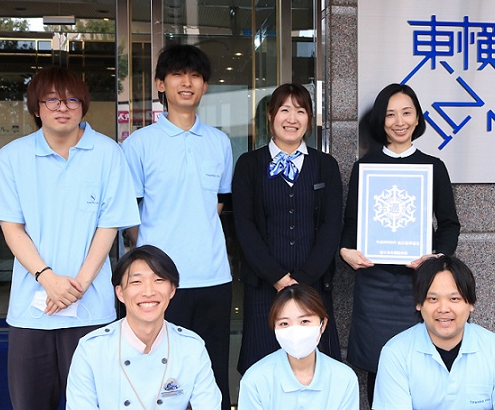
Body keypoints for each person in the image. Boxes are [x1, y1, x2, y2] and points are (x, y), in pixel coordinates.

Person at [0, 66, 140, 410]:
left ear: (84, 105)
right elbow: (12, 228)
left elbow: (108, 227)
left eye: (71, 100)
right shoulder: (13, 157)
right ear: (36, 108)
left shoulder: (108, 153)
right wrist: (47, 278)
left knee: (97, 403)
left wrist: (77, 285)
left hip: (90, 309)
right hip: (31, 310)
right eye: (51, 100)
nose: (62, 107)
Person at [121, 44, 233, 409]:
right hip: (161, 283)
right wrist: (153, 259)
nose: (187, 82)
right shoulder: (138, 145)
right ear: (160, 84)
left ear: (205, 87)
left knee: (212, 375)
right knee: (157, 378)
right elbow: (130, 217)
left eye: (196, 76)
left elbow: (220, 202)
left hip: (214, 277)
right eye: (178, 75)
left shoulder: (219, 143)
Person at [339, 83, 461, 404]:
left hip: (418, 285)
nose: (399, 121)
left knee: (422, 364)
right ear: (381, 121)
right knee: (378, 367)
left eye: (407, 113)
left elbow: (449, 225)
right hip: (374, 283)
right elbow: (351, 225)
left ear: (418, 118)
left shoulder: (433, 166)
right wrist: (345, 251)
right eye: (391, 114)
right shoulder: (364, 167)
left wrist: (436, 256)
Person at [232, 83, 343, 374]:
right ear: (270, 115)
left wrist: (303, 280)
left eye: (300, 111)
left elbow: (332, 226)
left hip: (314, 286)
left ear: (309, 119)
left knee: (317, 368)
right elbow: (244, 226)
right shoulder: (249, 165)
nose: (292, 118)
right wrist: (278, 278)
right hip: (263, 287)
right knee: (262, 368)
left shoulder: (325, 165)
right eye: (284, 110)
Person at [66, 245, 222, 409]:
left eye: (159, 280)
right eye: (136, 282)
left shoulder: (191, 348)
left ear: (172, 290)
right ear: (120, 293)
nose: (148, 291)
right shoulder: (92, 349)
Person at [373, 255, 495, 409]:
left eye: (454, 299)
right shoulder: (395, 353)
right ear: (419, 304)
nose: (443, 309)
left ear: (471, 303)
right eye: (433, 299)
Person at [238, 284, 359, 409]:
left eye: (305, 321)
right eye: (284, 323)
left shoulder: (344, 378)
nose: (295, 330)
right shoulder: (255, 380)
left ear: (323, 325)